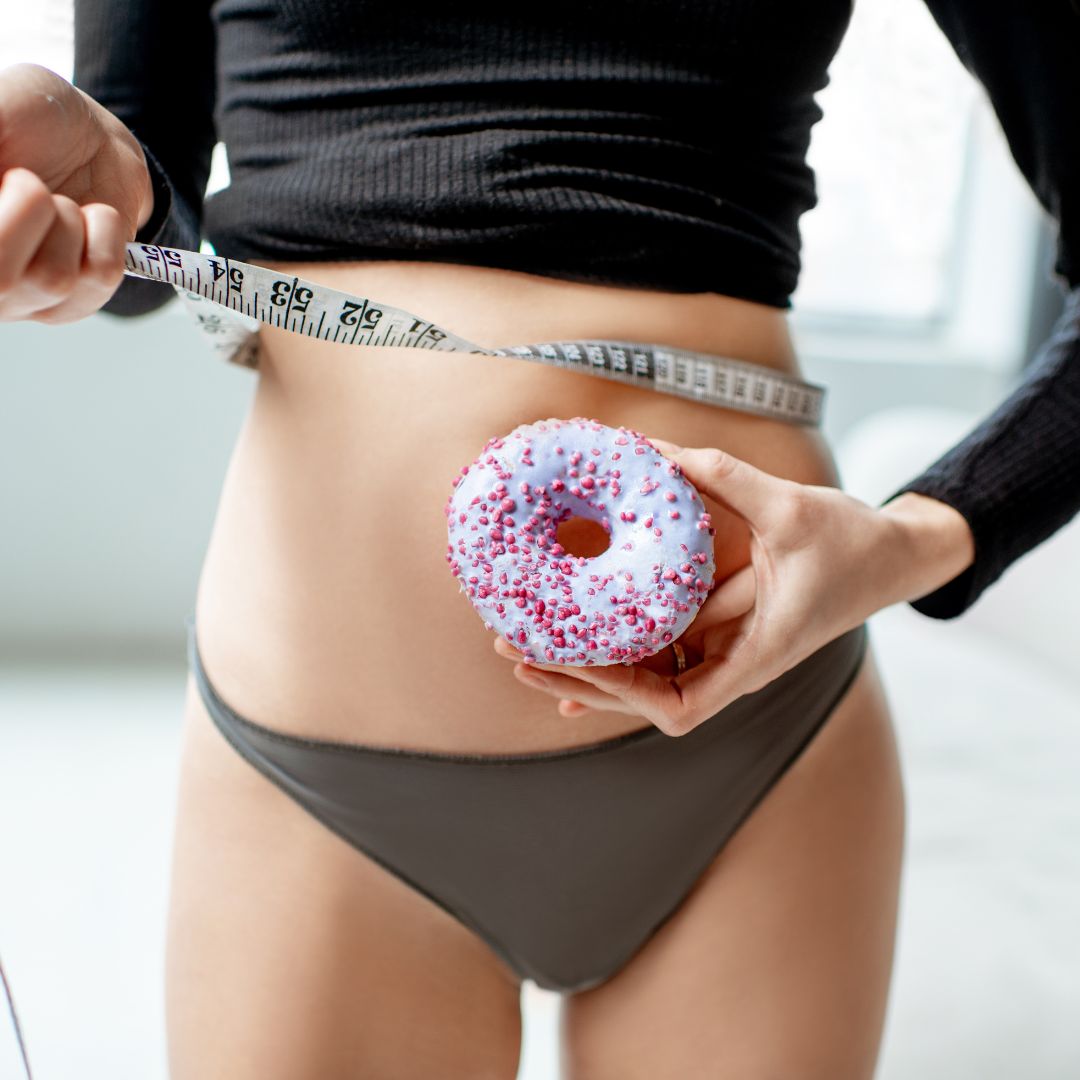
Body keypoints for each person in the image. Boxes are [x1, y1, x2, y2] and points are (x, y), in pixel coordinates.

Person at [0, 0, 1076, 1074]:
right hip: (319, 774)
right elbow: (145, 222)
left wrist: (924, 537)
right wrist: (99, 197)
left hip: (759, 744)